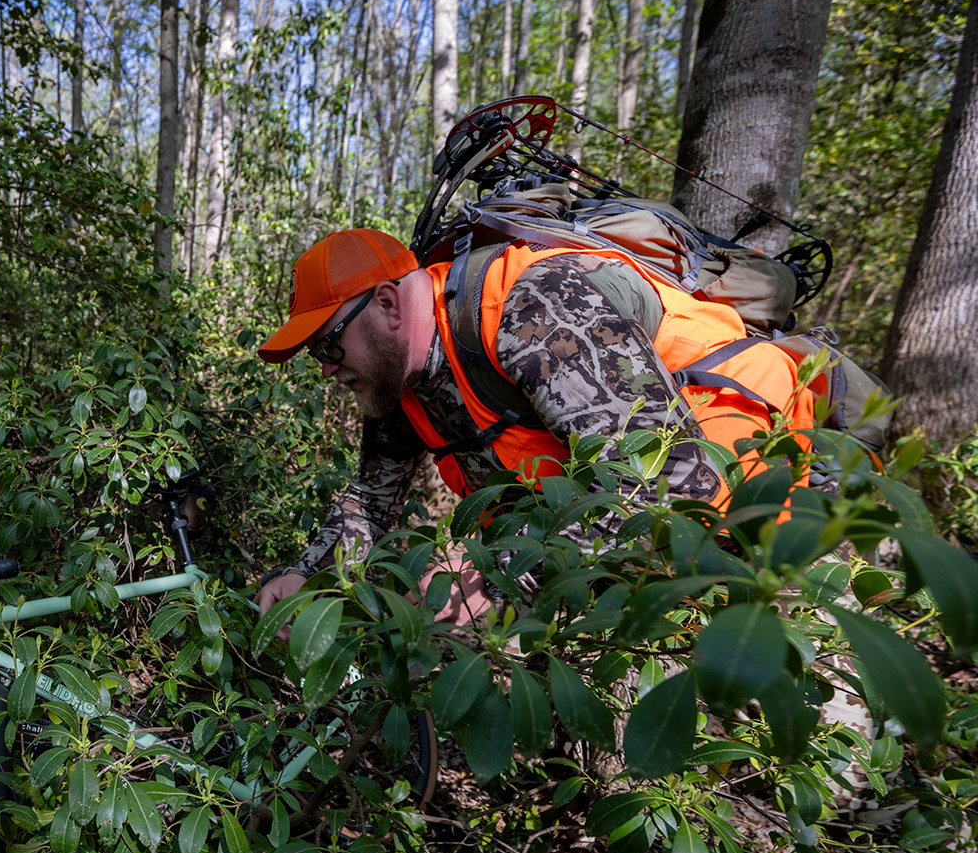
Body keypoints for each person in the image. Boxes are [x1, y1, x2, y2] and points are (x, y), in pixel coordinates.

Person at [253, 227, 734, 630]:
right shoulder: (398, 373)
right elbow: (371, 497)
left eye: (328, 347)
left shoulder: (536, 311)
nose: (326, 370)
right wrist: (309, 576)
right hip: (600, 565)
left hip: (741, 536)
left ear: (387, 305)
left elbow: (668, 480)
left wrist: (495, 568)